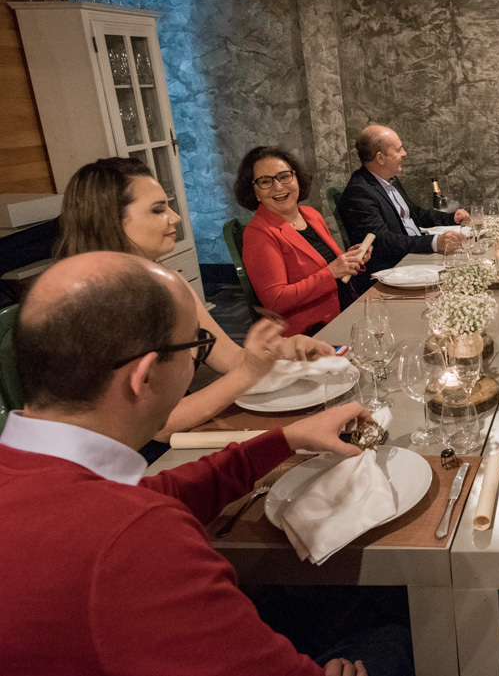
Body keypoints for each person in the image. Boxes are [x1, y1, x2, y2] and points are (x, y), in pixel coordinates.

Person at [0, 251, 372, 675]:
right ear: (144, 376)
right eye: (195, 347)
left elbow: (156, 495)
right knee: (389, 630)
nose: (196, 360)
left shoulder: (44, 480)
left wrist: (286, 439)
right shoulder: (135, 541)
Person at [56, 157, 333, 453]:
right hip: (126, 459)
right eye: (158, 210)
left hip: (181, 433)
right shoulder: (97, 306)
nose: (175, 218)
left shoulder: (171, 283)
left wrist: (288, 348)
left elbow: (232, 359)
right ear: (110, 220)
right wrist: (249, 373)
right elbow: (159, 425)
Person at [238, 146, 370, 337]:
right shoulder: (259, 233)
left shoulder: (310, 215)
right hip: (310, 334)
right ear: (255, 193)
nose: (278, 187)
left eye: (284, 176)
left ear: (297, 179)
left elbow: (327, 267)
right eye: (265, 181)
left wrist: (352, 258)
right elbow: (276, 301)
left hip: (345, 315)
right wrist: (331, 272)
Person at [337, 125, 468, 278]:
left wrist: (451, 218)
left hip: (416, 256)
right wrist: (433, 242)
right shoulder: (359, 191)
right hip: (396, 268)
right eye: (398, 150)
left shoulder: (390, 179)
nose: (404, 153)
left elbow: (415, 213)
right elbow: (381, 240)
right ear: (380, 158)